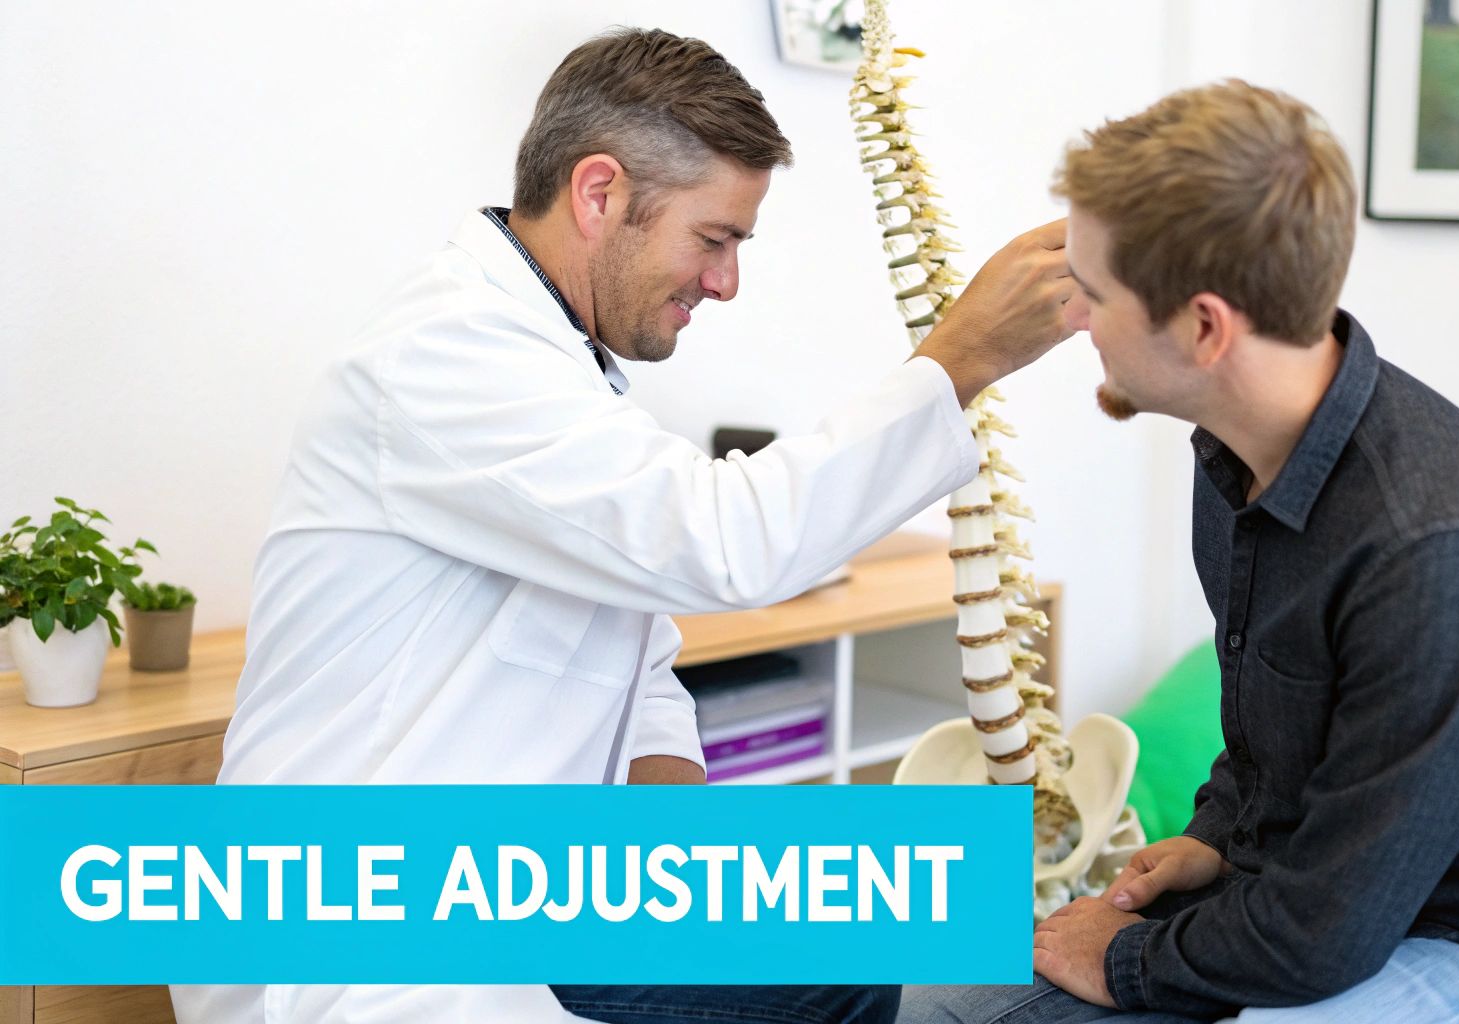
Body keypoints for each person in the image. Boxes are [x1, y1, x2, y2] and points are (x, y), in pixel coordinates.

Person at [170, 28, 1080, 1024]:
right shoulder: (443, 358)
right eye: (714, 238)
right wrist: (961, 356)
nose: (725, 281)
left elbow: (634, 658)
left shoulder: (556, 368)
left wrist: (682, 876)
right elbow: (724, 543)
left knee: (902, 955)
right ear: (599, 194)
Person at [899, 79, 1459, 1024]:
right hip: (1327, 895)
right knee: (933, 1003)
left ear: (1204, 327)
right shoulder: (1236, 457)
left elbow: (1328, 933)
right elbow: (1276, 729)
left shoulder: (1441, 553)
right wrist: (1221, 835)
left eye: (1095, 293)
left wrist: (1129, 961)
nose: (1075, 318)